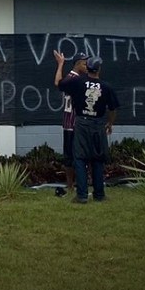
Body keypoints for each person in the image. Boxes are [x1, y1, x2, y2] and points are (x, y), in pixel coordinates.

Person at [57, 56, 119, 204]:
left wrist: (60, 65)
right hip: (98, 123)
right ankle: (99, 194)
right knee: (98, 158)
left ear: (87, 68)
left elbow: (59, 83)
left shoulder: (78, 82)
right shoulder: (106, 87)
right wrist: (110, 123)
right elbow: (113, 108)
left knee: (79, 157)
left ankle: (82, 195)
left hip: (81, 123)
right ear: (99, 69)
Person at [53, 50, 89, 192]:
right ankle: (71, 185)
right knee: (72, 155)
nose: (87, 67)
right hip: (72, 123)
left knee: (77, 155)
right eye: (85, 64)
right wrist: (61, 64)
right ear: (78, 64)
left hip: (75, 123)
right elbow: (58, 83)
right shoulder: (74, 78)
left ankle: (75, 185)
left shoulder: (81, 78)